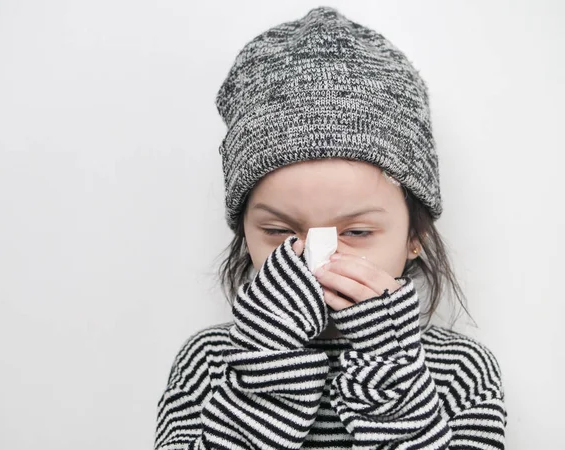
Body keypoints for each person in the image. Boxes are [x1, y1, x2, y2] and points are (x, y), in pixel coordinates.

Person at [154, 6, 506, 449]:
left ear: (414, 237)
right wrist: (267, 371)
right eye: (281, 233)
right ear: (244, 234)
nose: (318, 260)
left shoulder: (459, 370)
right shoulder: (208, 363)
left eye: (357, 232)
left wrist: (390, 374)